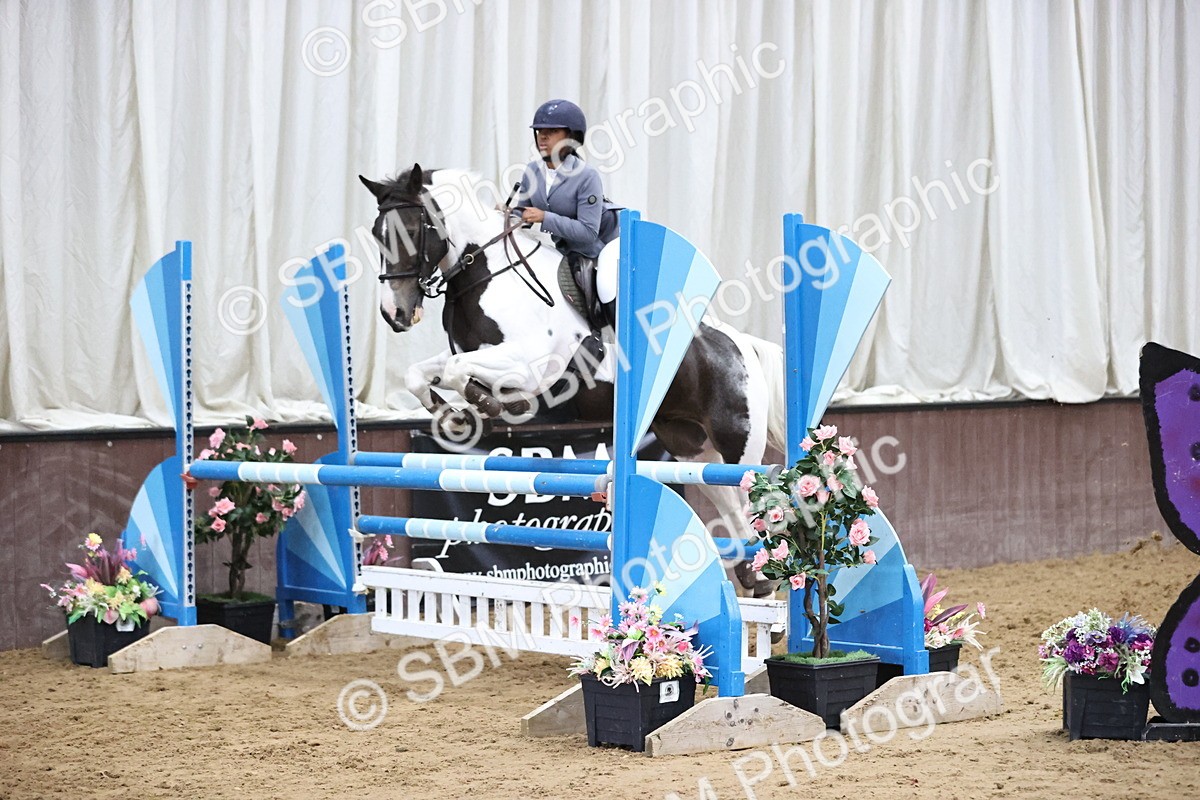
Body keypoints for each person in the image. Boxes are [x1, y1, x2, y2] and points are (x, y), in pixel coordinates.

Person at [513, 99, 618, 334]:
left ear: (571, 136)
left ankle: (609, 336)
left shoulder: (587, 176)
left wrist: (544, 218)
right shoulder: (532, 171)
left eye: (552, 132)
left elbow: (588, 232)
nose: (543, 137)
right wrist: (508, 214)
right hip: (563, 253)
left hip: (599, 253)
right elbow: (524, 213)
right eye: (540, 131)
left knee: (606, 288)